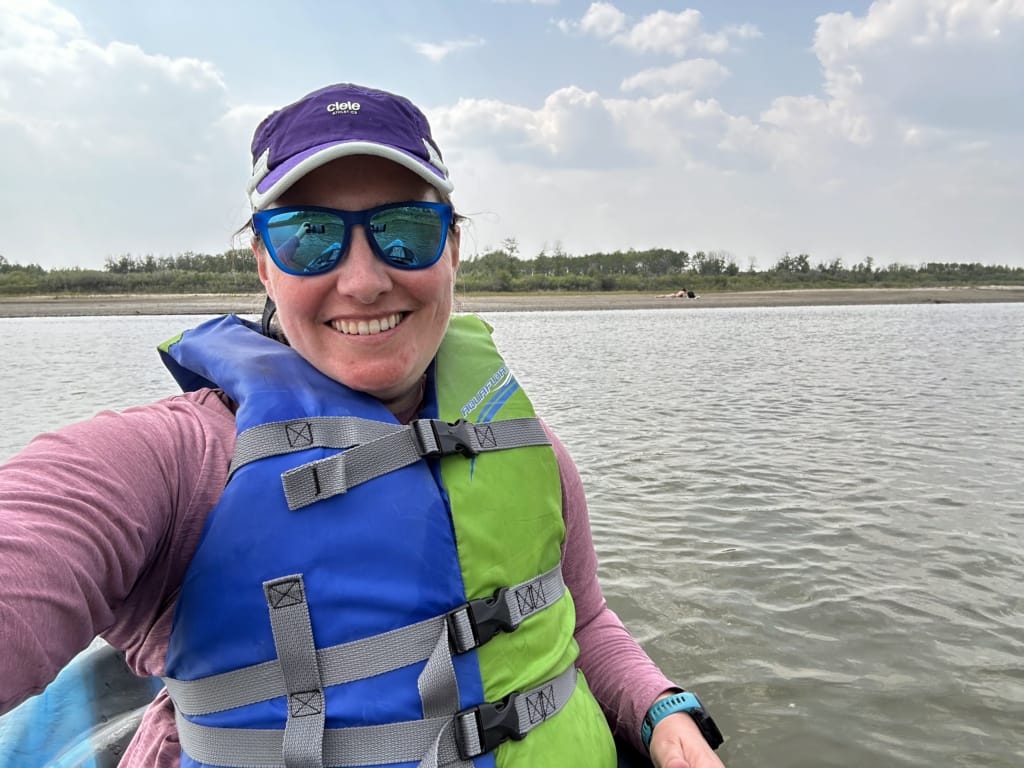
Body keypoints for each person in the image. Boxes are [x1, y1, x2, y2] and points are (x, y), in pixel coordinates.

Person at [0, 83, 726, 768]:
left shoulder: (526, 448)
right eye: (311, 237)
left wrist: (663, 714)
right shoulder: (175, 460)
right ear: (263, 263)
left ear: (453, 250)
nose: (364, 280)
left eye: (405, 231)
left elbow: (585, 619)